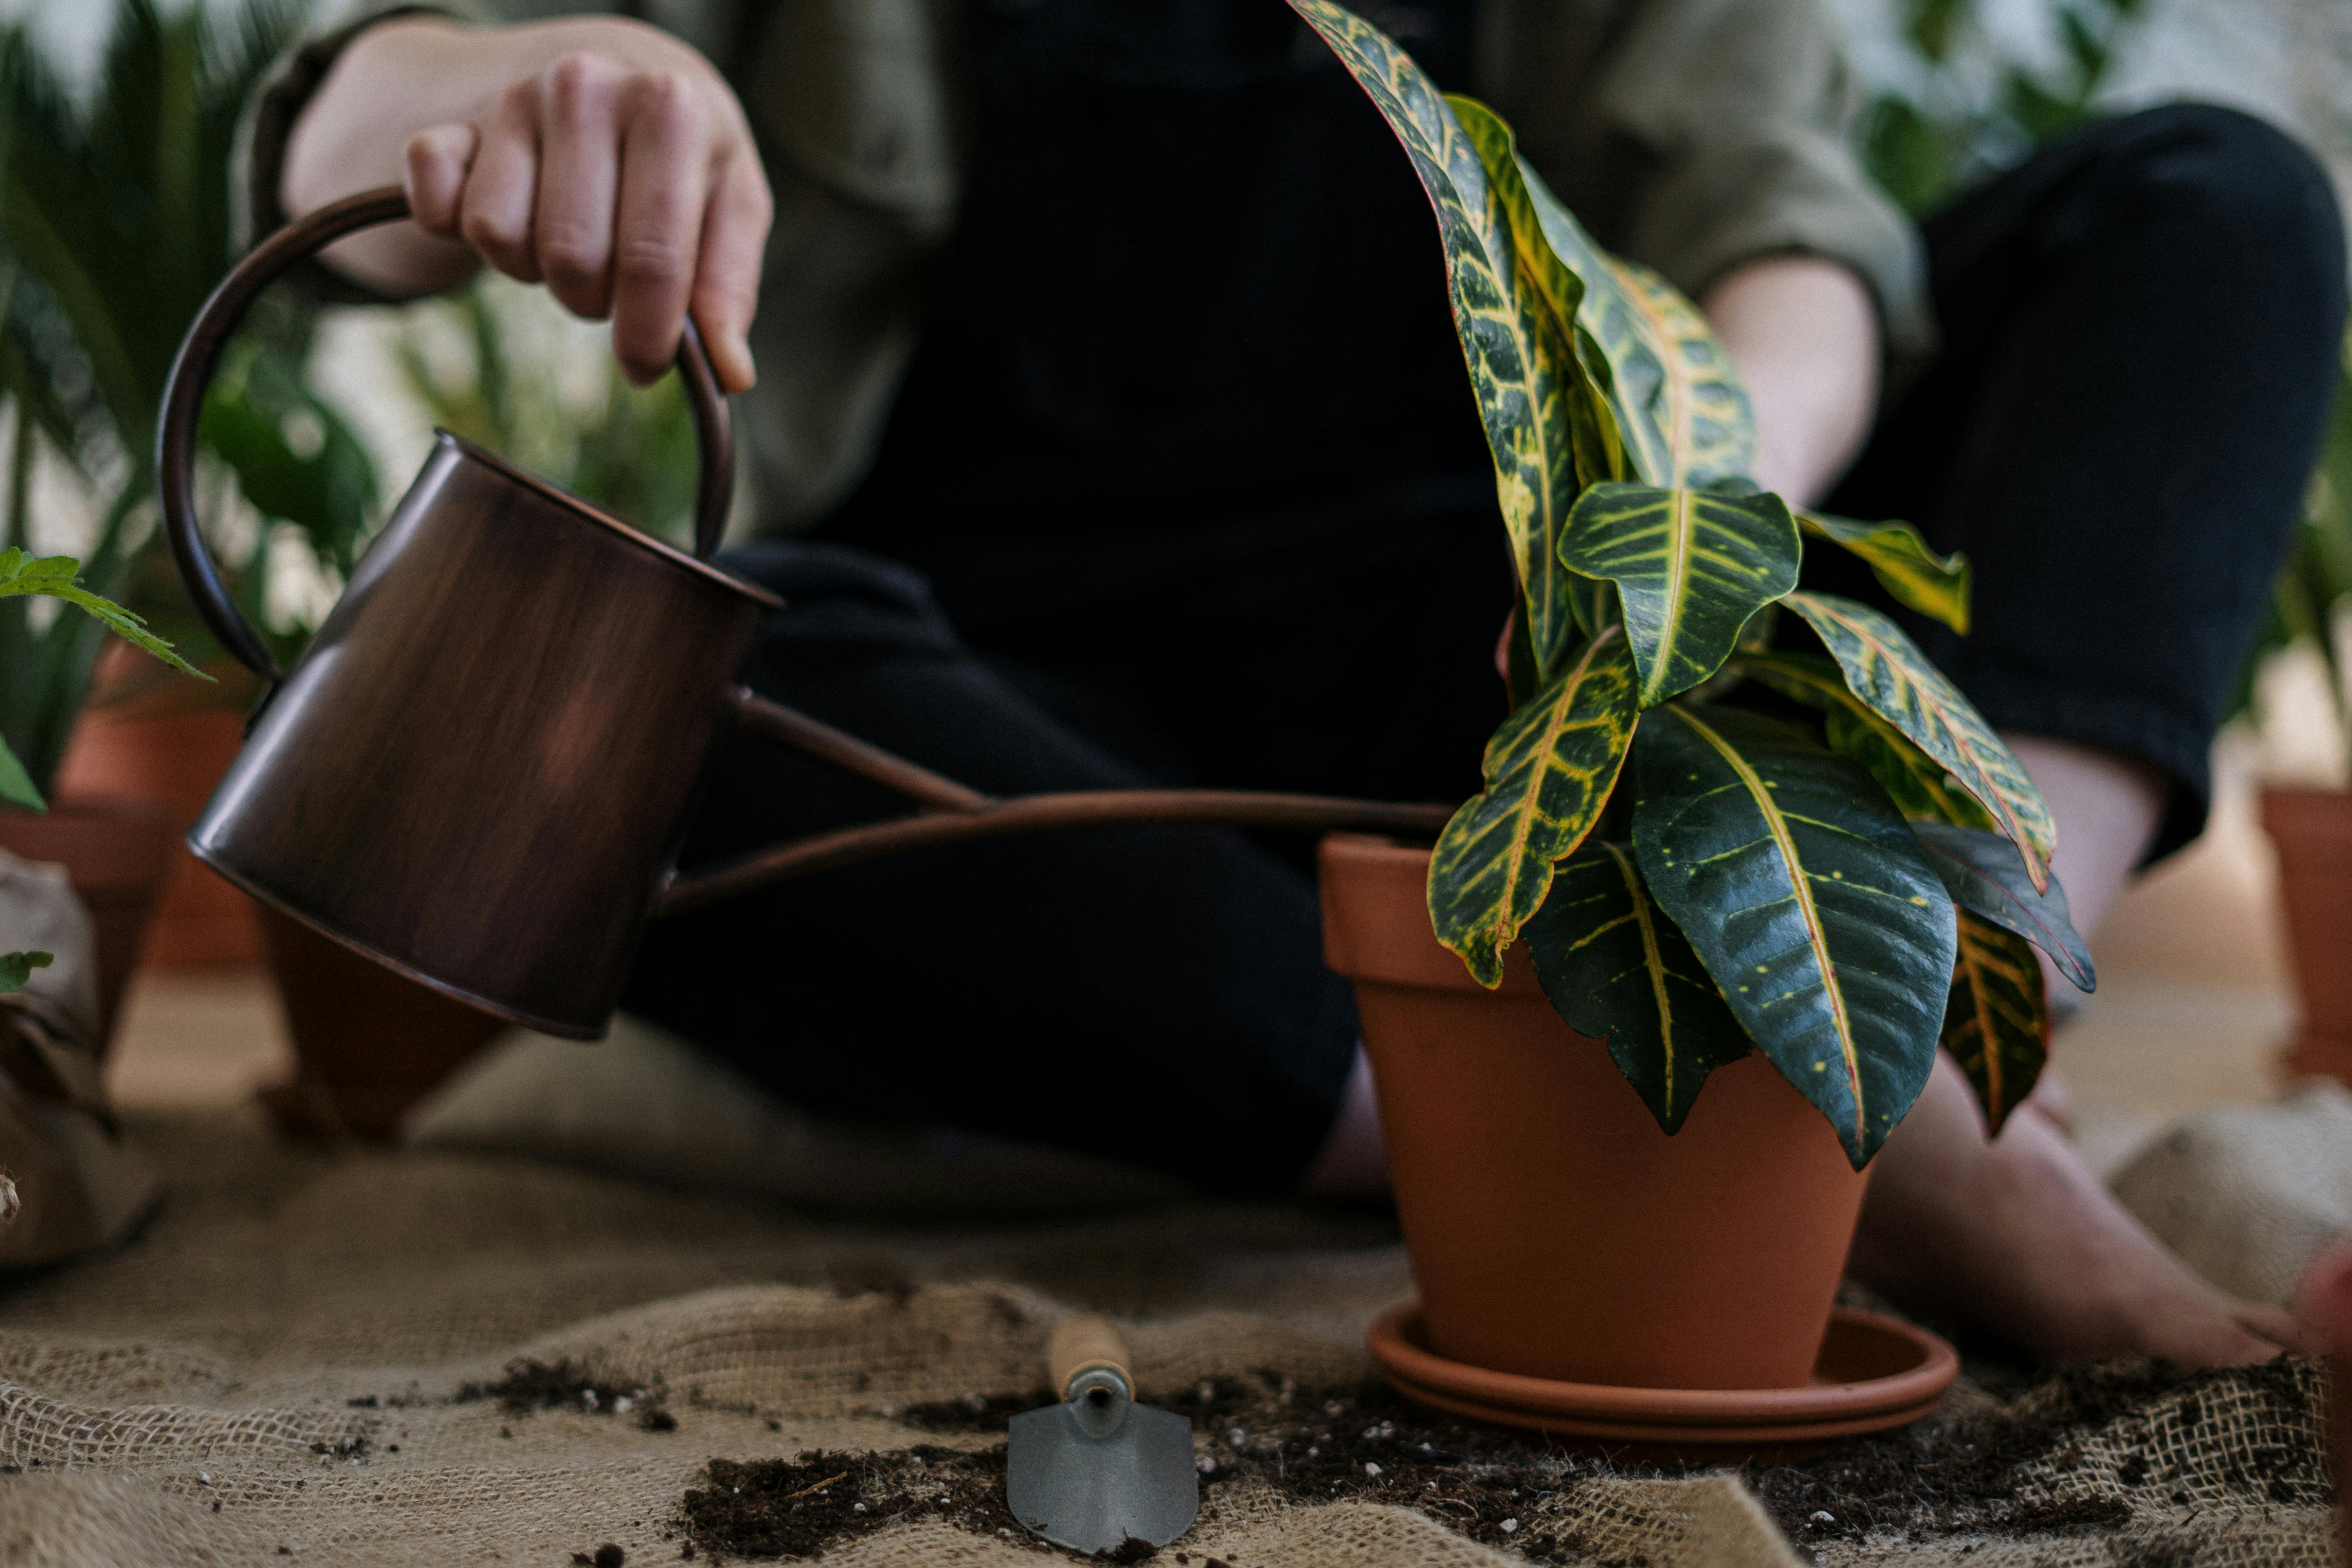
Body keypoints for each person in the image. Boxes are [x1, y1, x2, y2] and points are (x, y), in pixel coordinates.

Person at [260, 0, 2346, 1368]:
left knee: (2210, 208)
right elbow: (335, 153)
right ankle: (1652, 1108)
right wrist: (532, 86)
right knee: (657, 719)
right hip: (1022, 713)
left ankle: (1974, 1013)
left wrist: (1681, 525)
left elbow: (1784, 237)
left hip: (1528, 674)